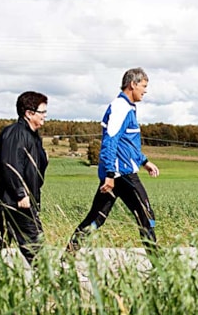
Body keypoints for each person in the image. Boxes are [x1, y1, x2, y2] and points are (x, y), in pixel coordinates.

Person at [66, 67, 161, 255]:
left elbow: (127, 144)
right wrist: (110, 174)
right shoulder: (120, 107)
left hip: (119, 173)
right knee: (146, 217)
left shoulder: (128, 107)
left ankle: (68, 256)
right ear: (132, 84)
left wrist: (144, 161)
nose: (145, 91)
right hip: (122, 174)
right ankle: (160, 267)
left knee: (97, 218)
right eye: (143, 86)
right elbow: (110, 142)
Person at [0, 90, 49, 264]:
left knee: (1, 239)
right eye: (42, 112)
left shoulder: (32, 135)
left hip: (15, 200)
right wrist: (21, 193)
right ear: (29, 113)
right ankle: (49, 285)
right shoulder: (17, 133)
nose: (45, 116)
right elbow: (11, 164)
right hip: (16, 201)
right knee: (35, 247)